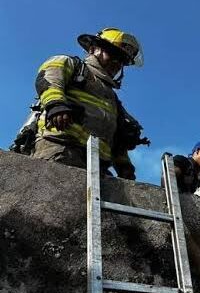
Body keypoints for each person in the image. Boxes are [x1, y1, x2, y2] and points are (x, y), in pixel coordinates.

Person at [29, 27, 147, 179]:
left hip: (98, 163)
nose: (117, 63)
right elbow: (49, 80)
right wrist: (56, 105)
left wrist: (123, 165)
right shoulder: (71, 64)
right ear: (93, 49)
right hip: (61, 147)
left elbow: (117, 136)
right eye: (114, 54)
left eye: (122, 61)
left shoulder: (111, 98)